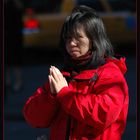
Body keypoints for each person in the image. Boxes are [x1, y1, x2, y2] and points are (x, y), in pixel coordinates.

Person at [23, 5, 129, 140]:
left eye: (78, 37)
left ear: (93, 40)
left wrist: (65, 94)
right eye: (68, 38)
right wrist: (52, 95)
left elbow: (105, 113)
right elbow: (32, 117)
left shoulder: (110, 73)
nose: (72, 43)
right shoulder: (64, 75)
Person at [4, 0, 24, 91]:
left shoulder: (15, 6)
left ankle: (17, 82)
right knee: (8, 60)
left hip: (14, 37)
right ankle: (9, 81)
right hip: (10, 36)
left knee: (15, 60)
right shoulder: (14, 5)